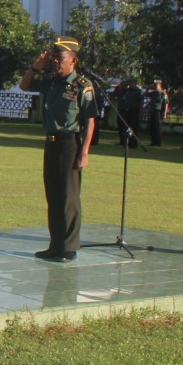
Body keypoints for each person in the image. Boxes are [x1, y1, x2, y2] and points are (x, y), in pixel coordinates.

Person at [19, 38, 98, 263]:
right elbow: (25, 86)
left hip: (69, 144)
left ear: (73, 60)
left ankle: (69, 248)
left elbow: (90, 120)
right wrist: (35, 67)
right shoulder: (52, 82)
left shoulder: (82, 85)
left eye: (59, 57)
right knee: (53, 196)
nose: (55, 61)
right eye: (53, 57)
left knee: (68, 198)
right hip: (51, 143)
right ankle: (55, 246)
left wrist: (84, 152)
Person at [114, 78, 143, 148]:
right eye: (129, 83)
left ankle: (133, 143)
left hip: (134, 111)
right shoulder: (126, 90)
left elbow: (141, 103)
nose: (130, 85)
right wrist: (123, 84)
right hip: (125, 111)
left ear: (135, 84)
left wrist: (140, 112)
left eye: (131, 83)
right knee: (125, 127)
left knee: (133, 127)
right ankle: (125, 142)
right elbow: (117, 92)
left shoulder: (138, 91)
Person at [144, 78, 169, 147]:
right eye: (155, 85)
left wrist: (165, 113)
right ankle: (153, 141)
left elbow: (166, 103)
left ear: (160, 85)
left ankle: (158, 142)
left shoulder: (163, 93)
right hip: (152, 111)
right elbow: (145, 94)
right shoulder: (153, 93)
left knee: (157, 127)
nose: (155, 86)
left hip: (158, 111)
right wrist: (148, 88)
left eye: (156, 85)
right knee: (152, 127)